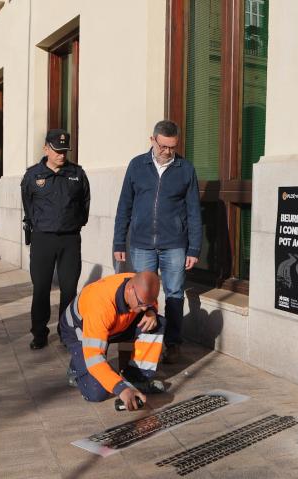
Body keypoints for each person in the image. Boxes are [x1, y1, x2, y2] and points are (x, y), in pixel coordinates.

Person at [113, 120, 202, 364]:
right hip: (141, 244)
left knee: (174, 293)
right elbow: (124, 206)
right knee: (143, 295)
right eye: (163, 146)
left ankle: (172, 343)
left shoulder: (186, 169)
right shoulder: (136, 165)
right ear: (152, 140)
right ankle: (144, 342)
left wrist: (194, 248)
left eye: (172, 147)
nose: (167, 152)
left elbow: (194, 211)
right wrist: (119, 242)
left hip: (174, 244)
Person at [21, 129, 90, 350]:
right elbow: (28, 205)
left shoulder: (77, 174)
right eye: (57, 150)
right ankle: (39, 333)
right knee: (41, 287)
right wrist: (39, 224)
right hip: (43, 239)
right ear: (46, 149)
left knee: (69, 289)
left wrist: (74, 224)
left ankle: (66, 331)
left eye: (65, 151)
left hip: (70, 239)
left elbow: (84, 204)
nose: (62, 154)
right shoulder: (33, 175)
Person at [60, 271, 165, 410]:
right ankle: (76, 367)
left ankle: (137, 377)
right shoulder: (100, 305)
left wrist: (152, 311)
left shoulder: (139, 286)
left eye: (148, 304)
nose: (144, 308)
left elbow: (149, 300)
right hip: (78, 330)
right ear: (130, 290)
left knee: (156, 323)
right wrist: (122, 389)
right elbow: (95, 356)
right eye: (141, 304)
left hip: (113, 326)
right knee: (97, 393)